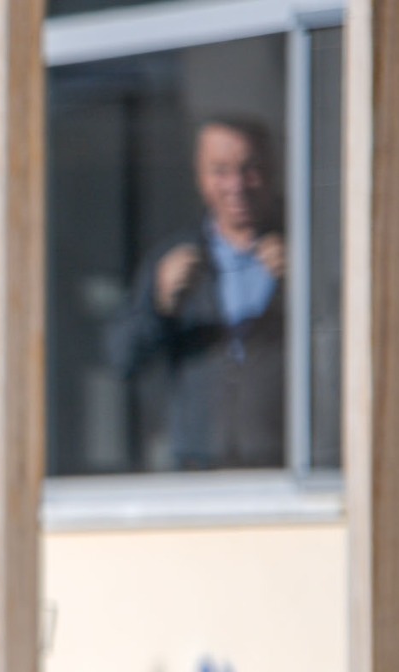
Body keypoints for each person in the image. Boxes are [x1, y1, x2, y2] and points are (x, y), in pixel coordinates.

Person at [106, 115, 287, 470]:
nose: (236, 185)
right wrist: (159, 305)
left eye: (249, 169)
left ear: (273, 170)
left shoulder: (309, 247)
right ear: (199, 177)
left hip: (287, 467)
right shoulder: (173, 258)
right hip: (199, 470)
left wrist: (307, 287)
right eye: (220, 171)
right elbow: (121, 357)